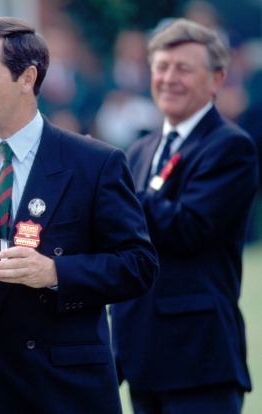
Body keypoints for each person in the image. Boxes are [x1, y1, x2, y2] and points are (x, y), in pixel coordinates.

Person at [0, 17, 159, 414]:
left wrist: (55, 273)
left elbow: (139, 265)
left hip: (68, 389)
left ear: (27, 77)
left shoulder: (95, 163)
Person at [110, 18, 258, 414]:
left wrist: (117, 189)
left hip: (198, 360)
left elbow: (188, 228)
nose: (169, 78)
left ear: (216, 79)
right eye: (161, 67)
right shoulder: (141, 149)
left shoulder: (230, 146)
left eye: (184, 68)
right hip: (141, 357)